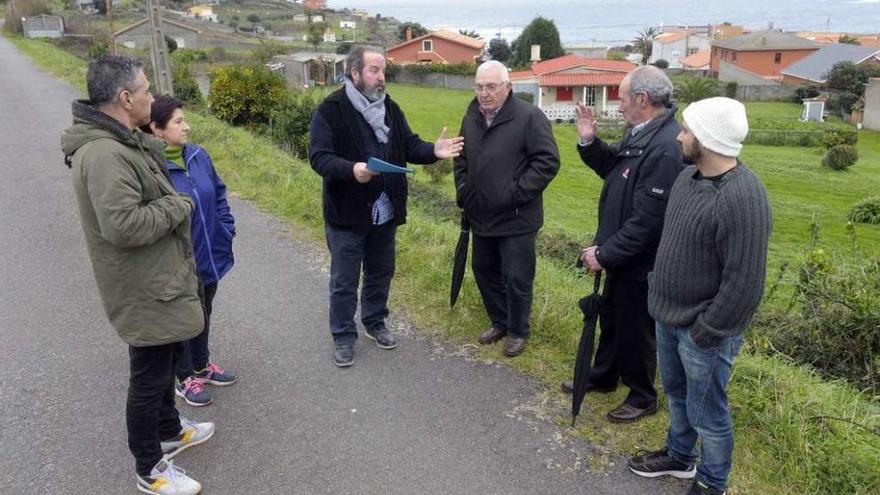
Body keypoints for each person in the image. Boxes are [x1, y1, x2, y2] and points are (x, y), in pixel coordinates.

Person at [62, 55, 214, 495]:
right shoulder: (106, 153)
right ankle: (149, 466)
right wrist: (180, 203)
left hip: (157, 278)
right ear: (126, 98)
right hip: (141, 285)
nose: (152, 96)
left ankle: (170, 427)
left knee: (166, 359)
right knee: (148, 375)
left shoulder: (123, 140)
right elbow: (124, 225)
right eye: (146, 90)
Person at [628, 97, 772, 495]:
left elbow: (745, 282)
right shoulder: (687, 178)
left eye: (688, 130)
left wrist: (708, 331)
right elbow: (673, 242)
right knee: (676, 396)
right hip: (667, 316)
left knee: (708, 413)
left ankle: (712, 483)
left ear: (707, 140)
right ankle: (679, 457)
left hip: (702, 329)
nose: (679, 135)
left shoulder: (743, 195)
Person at [309, 46, 464, 367]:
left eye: (383, 70)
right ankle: (342, 335)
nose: (381, 77)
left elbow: (408, 145)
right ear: (355, 73)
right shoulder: (331, 109)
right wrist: (354, 170)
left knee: (381, 273)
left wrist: (433, 150)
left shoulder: (389, 108)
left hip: (385, 210)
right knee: (344, 281)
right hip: (347, 214)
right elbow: (319, 158)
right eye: (374, 70)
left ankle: (375, 321)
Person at [562, 65, 684, 423]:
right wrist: (588, 140)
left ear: (643, 100)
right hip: (621, 254)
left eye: (623, 98)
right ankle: (603, 376)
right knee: (612, 319)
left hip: (641, 262)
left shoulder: (664, 149)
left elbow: (648, 222)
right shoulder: (643, 133)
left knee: (636, 328)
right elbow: (616, 168)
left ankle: (643, 395)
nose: (618, 106)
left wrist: (604, 253)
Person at [453, 61, 560, 357]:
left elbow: (547, 162)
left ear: (508, 87)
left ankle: (518, 330)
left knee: (516, 276)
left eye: (491, 87)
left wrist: (514, 193)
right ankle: (500, 321)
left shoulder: (529, 117)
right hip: (481, 214)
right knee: (484, 270)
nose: (484, 93)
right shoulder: (472, 115)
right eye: (479, 87)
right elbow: (460, 158)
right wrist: (464, 190)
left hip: (517, 217)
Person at [143, 95, 237, 408]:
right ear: (156, 129)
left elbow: (219, 193)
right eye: (178, 122)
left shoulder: (199, 155)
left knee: (204, 312)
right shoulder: (152, 169)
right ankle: (185, 377)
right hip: (178, 262)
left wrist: (226, 227)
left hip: (210, 252)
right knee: (183, 318)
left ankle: (201, 364)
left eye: (185, 120)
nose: (187, 127)